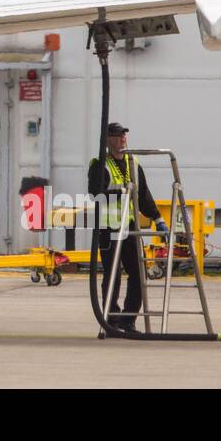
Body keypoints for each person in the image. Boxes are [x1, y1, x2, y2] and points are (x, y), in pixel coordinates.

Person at [88, 122, 165, 333]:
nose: (122, 138)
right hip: (108, 228)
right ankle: (111, 320)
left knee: (138, 272)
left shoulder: (133, 163)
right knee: (112, 274)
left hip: (129, 226)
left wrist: (157, 218)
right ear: (107, 140)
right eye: (117, 135)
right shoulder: (100, 165)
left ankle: (128, 320)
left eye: (123, 134)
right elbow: (95, 194)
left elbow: (143, 195)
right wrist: (121, 192)